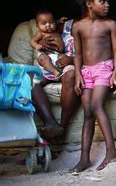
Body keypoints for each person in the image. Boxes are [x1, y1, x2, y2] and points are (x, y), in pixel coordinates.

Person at [72, 0, 116, 172]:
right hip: (86, 71)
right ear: (89, 4)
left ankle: (112, 151)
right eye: (103, 1)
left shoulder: (110, 24)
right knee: (87, 113)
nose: (107, 5)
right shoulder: (78, 26)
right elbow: (77, 54)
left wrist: (114, 75)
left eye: (108, 1)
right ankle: (84, 159)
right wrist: (78, 74)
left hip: (104, 68)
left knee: (95, 104)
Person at [31, 13, 80, 142]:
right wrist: (39, 43)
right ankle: (51, 124)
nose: (48, 25)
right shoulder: (52, 29)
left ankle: (61, 129)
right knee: (30, 79)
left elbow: (96, 55)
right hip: (50, 66)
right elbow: (35, 42)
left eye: (51, 22)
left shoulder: (89, 28)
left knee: (71, 75)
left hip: (69, 66)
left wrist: (72, 60)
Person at [30, 9, 69, 80]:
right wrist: (36, 45)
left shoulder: (55, 29)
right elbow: (33, 41)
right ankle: (54, 72)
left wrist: (60, 21)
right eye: (44, 23)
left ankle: (64, 71)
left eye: (51, 22)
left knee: (64, 57)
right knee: (43, 59)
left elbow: (56, 23)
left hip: (57, 54)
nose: (48, 25)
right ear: (37, 26)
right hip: (46, 54)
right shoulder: (41, 33)